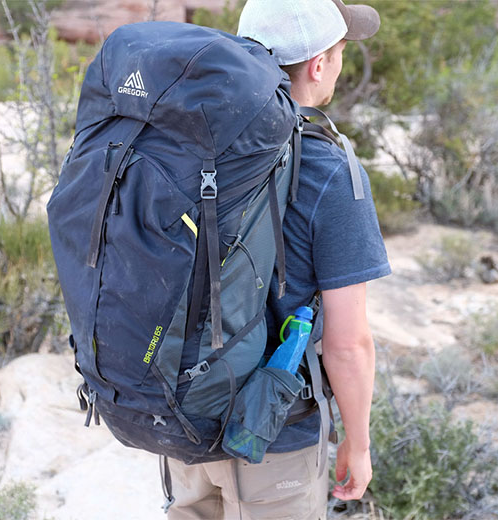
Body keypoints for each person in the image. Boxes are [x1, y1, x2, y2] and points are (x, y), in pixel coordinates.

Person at [165, 0, 391, 518]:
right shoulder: (331, 171)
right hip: (272, 434)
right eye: (339, 51)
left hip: (183, 414)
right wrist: (358, 444)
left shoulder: (191, 139)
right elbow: (348, 344)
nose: (339, 61)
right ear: (318, 65)